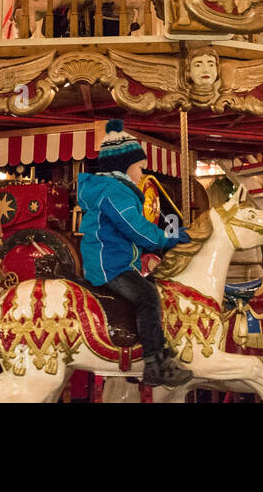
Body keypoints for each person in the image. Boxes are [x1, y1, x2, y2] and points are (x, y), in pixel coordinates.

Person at [78, 119, 192, 387]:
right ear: (125, 166)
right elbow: (136, 230)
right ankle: (154, 364)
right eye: (140, 166)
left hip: (115, 260)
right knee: (147, 296)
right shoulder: (115, 192)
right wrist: (169, 238)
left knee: (154, 287)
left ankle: (154, 347)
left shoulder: (115, 190)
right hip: (109, 265)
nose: (143, 172)